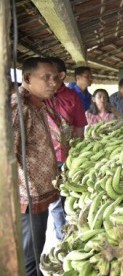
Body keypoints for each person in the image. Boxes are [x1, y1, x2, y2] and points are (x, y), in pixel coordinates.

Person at [12, 57, 59, 276]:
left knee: (36, 250)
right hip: (27, 198)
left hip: (39, 195)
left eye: (55, 78)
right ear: (27, 78)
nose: (53, 83)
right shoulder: (19, 108)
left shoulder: (37, 105)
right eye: (46, 77)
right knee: (29, 257)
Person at [44, 57, 87, 241]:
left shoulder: (71, 96)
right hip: (45, 156)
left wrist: (79, 151)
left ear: (61, 75)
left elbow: (79, 127)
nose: (47, 80)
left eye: (50, 75)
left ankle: (69, 229)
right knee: (53, 200)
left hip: (68, 154)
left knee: (67, 195)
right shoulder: (38, 96)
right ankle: (62, 236)